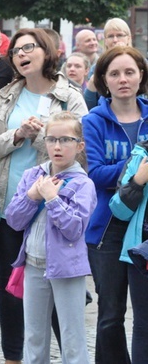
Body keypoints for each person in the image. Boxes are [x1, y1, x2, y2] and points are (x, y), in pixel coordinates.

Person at [0, 28, 87, 364]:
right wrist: (17, 134)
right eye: (15, 50)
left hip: (56, 208)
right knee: (12, 288)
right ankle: (14, 357)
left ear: (46, 51)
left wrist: (43, 134)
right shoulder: (9, 94)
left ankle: (69, 356)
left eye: (28, 47)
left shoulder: (69, 94)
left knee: (59, 293)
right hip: (13, 206)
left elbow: (80, 151)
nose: (20, 54)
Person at [5, 112, 96, 364]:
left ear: (79, 146)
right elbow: (13, 220)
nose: (57, 146)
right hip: (33, 265)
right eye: (52, 139)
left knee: (72, 337)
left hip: (67, 269)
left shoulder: (83, 184)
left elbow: (74, 229)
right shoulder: (33, 175)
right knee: (34, 336)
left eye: (66, 140)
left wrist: (52, 200)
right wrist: (32, 196)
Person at [82, 45, 148, 364]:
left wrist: (125, 170)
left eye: (129, 72)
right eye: (115, 73)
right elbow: (95, 173)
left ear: (141, 76)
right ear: (104, 81)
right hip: (107, 227)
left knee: (145, 317)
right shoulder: (94, 121)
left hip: (146, 225)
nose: (123, 79)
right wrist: (139, 169)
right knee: (110, 314)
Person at [111, 132, 148, 363]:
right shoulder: (141, 154)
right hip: (142, 257)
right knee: (144, 326)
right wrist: (138, 180)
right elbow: (119, 210)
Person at [83, 18, 134, 110]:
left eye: (119, 35)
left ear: (128, 38)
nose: (115, 40)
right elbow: (88, 106)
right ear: (105, 40)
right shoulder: (97, 67)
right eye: (110, 36)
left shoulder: (141, 64)